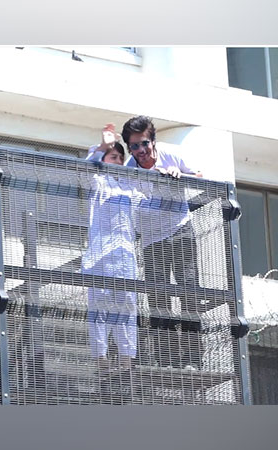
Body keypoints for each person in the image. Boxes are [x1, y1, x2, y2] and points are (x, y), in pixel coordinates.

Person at [120, 115, 203, 370]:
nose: (141, 151)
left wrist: (180, 176)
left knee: (189, 293)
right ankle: (167, 361)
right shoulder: (128, 168)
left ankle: (192, 359)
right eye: (134, 147)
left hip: (179, 230)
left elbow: (201, 177)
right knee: (158, 300)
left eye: (144, 144)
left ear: (152, 140)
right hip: (151, 240)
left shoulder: (171, 155)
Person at [82, 141, 145, 377]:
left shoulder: (129, 186)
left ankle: (127, 358)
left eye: (120, 157)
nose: (118, 161)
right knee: (99, 306)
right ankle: (101, 357)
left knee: (127, 307)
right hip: (100, 257)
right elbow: (89, 167)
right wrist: (101, 146)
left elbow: (145, 195)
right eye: (113, 157)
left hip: (126, 257)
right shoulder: (99, 182)